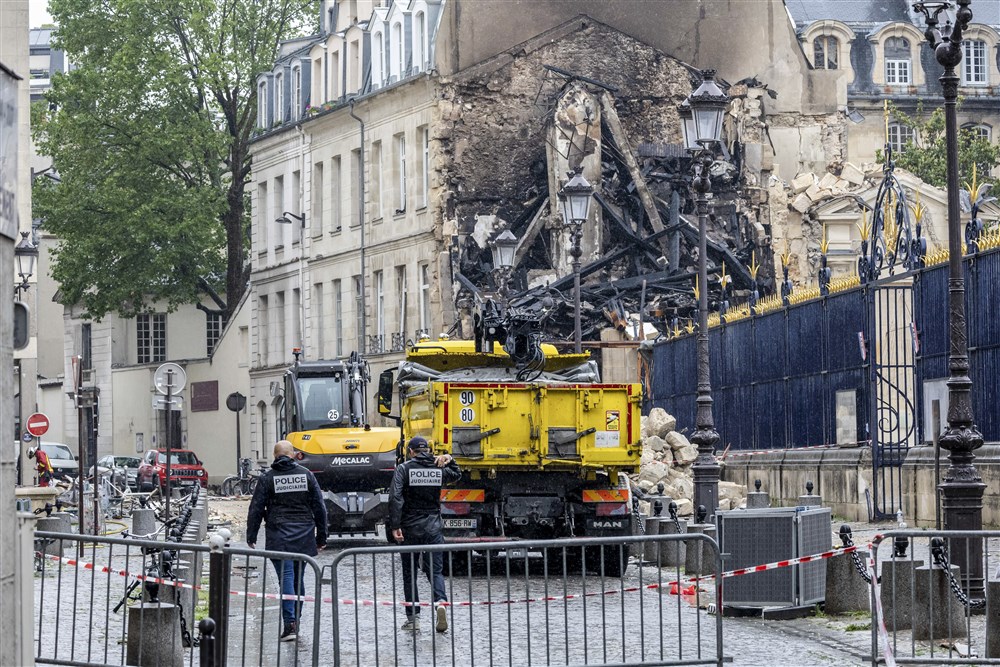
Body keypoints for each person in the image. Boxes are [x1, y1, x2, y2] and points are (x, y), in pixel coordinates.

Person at [247, 440, 328, 642]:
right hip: (303, 533)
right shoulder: (307, 475)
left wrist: (252, 535)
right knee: (297, 579)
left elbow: (256, 508)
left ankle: (290, 623)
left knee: (286, 578)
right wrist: (321, 536)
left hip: (278, 534)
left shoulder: (268, 478)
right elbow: (319, 506)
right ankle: (295, 620)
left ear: (275, 456)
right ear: (292, 455)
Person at [388, 436, 461, 633]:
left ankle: (413, 619)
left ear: (411, 451)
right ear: (428, 450)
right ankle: (440, 603)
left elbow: (395, 497)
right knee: (435, 571)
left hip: (410, 528)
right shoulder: (438, 468)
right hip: (433, 527)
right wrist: (448, 458)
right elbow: (456, 474)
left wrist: (395, 525)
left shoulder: (404, 469)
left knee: (409, 573)